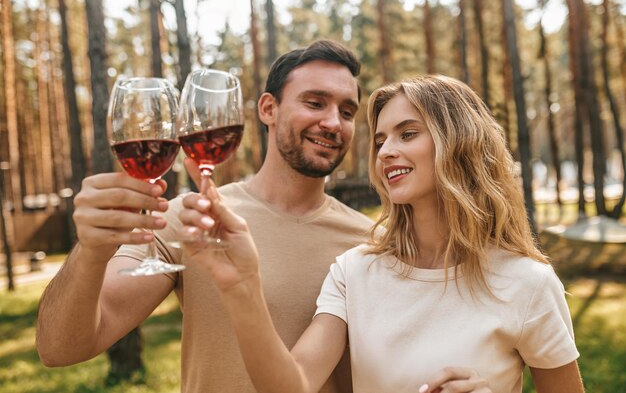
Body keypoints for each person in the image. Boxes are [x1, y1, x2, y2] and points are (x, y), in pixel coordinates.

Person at [179, 75, 585, 393]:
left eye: (407, 134)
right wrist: (242, 283)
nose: (386, 150)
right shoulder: (353, 273)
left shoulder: (527, 283)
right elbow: (293, 383)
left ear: (459, 142)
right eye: (380, 140)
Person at [36, 39, 374, 393]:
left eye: (347, 112)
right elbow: (59, 349)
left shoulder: (369, 241)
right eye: (315, 103)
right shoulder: (191, 218)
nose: (333, 122)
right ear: (268, 108)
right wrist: (90, 253)